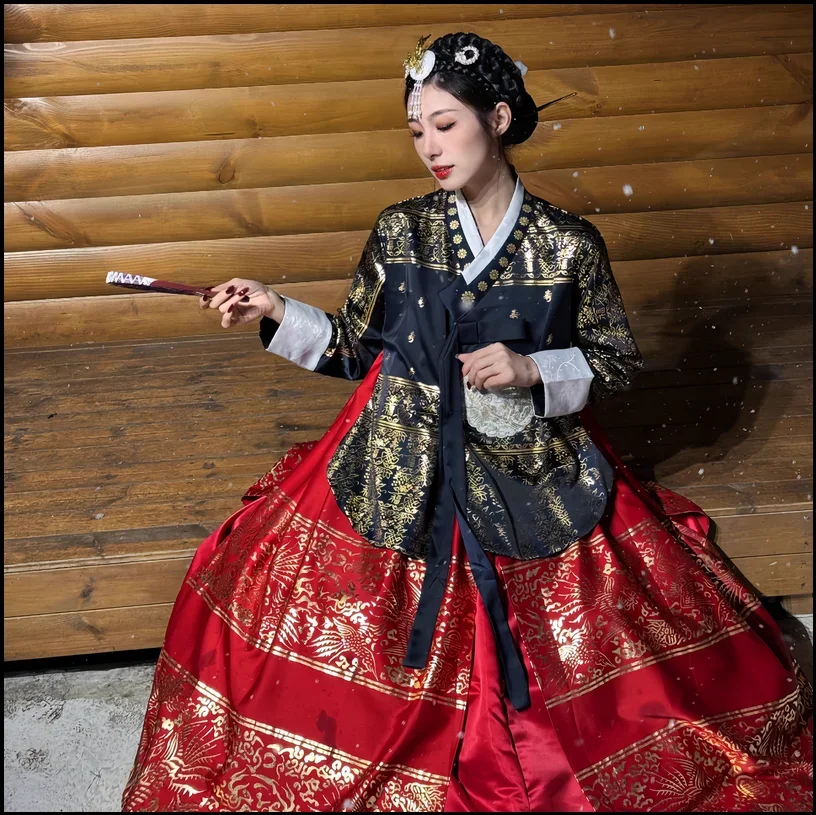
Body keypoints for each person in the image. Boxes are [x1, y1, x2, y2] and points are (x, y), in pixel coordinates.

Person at [122, 32, 813, 812]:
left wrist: (531, 370)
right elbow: (355, 349)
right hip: (399, 455)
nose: (429, 147)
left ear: (500, 116)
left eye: (446, 124)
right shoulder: (400, 231)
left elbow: (615, 364)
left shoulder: (567, 245)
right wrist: (274, 307)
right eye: (417, 130)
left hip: (529, 462)